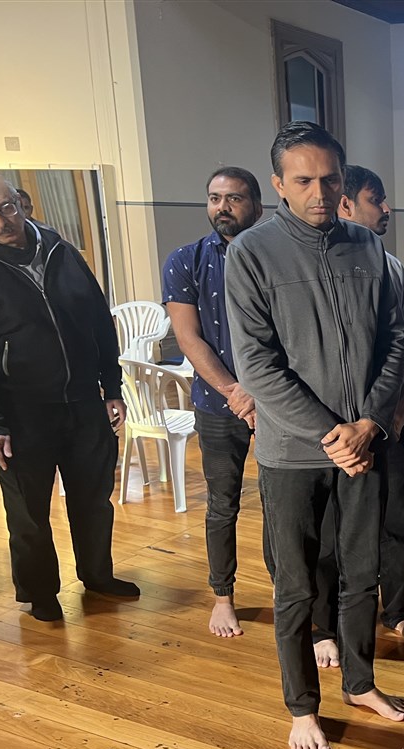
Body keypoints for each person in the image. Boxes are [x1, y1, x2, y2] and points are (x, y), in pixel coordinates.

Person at [226, 121, 404, 749]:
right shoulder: (250, 253)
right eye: (303, 180)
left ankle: (360, 682)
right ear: (278, 183)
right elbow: (257, 364)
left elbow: (397, 341)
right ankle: (302, 706)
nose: (318, 192)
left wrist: (368, 424)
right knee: (298, 584)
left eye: (329, 179)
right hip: (292, 452)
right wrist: (330, 430)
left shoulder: (367, 248)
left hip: (363, 444)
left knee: (363, 573)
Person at [0, 170, 139, 622]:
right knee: (28, 515)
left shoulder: (59, 248)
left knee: (94, 501)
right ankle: (40, 593)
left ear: (20, 201)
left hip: (83, 403)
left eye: (6, 207)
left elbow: (98, 319)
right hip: (21, 414)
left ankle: (97, 575)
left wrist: (110, 387)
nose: (1, 220)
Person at [162, 166, 267, 638]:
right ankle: (222, 597)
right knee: (222, 504)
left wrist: (261, 394)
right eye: (214, 198)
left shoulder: (276, 257)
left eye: (234, 198)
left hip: (276, 405)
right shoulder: (184, 261)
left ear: (257, 205)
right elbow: (188, 338)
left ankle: (290, 595)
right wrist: (234, 392)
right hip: (218, 403)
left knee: (285, 507)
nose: (222, 206)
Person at [334, 164, 404, 647]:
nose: (387, 209)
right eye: (377, 200)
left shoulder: (392, 269)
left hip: (387, 423)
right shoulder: (315, 271)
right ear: (346, 204)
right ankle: (331, 617)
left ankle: (396, 607)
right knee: (336, 525)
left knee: (394, 521)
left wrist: (396, 413)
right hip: (333, 429)